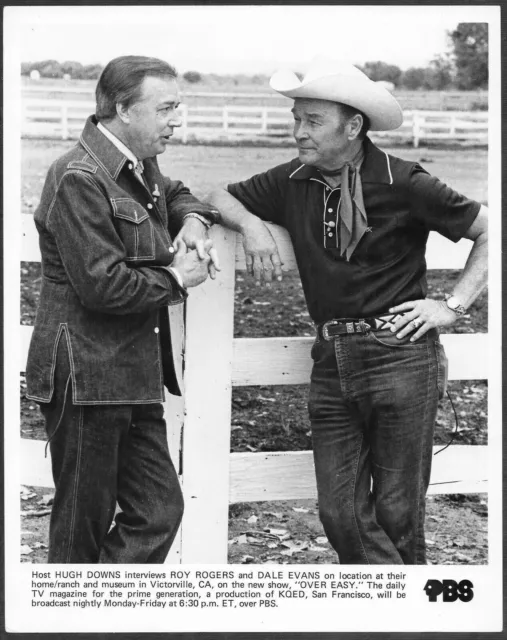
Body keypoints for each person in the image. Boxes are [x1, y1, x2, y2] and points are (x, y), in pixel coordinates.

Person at [207, 57, 488, 564]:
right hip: (331, 359)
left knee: (399, 513)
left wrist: (452, 304)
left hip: (401, 355)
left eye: (312, 121)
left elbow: (492, 230)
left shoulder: (405, 182)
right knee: (339, 514)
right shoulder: (291, 180)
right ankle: (407, 606)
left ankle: (397, 619)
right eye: (297, 119)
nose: (298, 133)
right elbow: (217, 196)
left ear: (353, 125)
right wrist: (250, 225)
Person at [25, 55, 220, 563]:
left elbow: (174, 193)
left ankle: (97, 607)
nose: (176, 120)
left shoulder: (135, 163)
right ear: (123, 109)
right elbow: (102, 286)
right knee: (81, 526)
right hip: (85, 376)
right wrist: (180, 279)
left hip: (132, 374)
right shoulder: (76, 176)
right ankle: (74, 617)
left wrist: (193, 219)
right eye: (167, 108)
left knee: (158, 510)